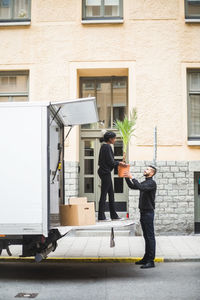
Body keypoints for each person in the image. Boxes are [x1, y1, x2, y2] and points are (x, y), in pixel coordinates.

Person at [124, 166, 157, 269]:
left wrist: (132, 176)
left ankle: (151, 261)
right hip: (143, 213)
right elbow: (133, 186)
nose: (145, 170)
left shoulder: (151, 183)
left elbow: (141, 187)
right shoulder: (145, 182)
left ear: (152, 173)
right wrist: (126, 177)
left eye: (147, 169)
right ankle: (146, 258)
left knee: (150, 237)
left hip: (148, 213)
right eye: (145, 169)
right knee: (146, 236)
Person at [98, 131, 125, 221]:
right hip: (105, 173)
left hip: (104, 172)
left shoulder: (104, 146)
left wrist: (117, 163)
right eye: (114, 138)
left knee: (111, 194)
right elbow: (111, 162)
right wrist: (119, 163)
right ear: (110, 139)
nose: (115, 140)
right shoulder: (107, 146)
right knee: (104, 194)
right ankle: (101, 216)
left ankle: (113, 215)